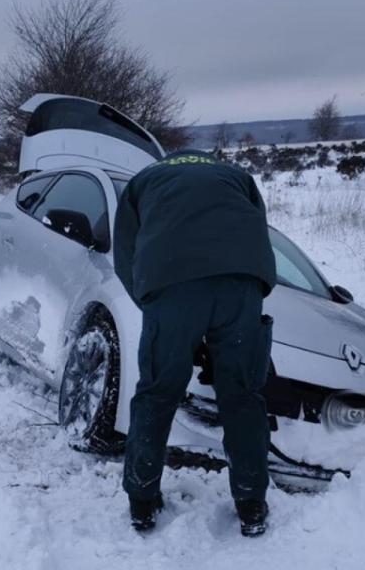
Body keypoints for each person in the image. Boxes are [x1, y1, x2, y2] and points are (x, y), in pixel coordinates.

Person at [113, 150, 277, 537]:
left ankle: (142, 501)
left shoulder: (143, 181)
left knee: (157, 391)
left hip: (171, 283)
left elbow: (125, 255)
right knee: (241, 394)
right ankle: (252, 503)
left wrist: (155, 308)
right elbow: (258, 230)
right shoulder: (235, 175)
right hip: (241, 282)